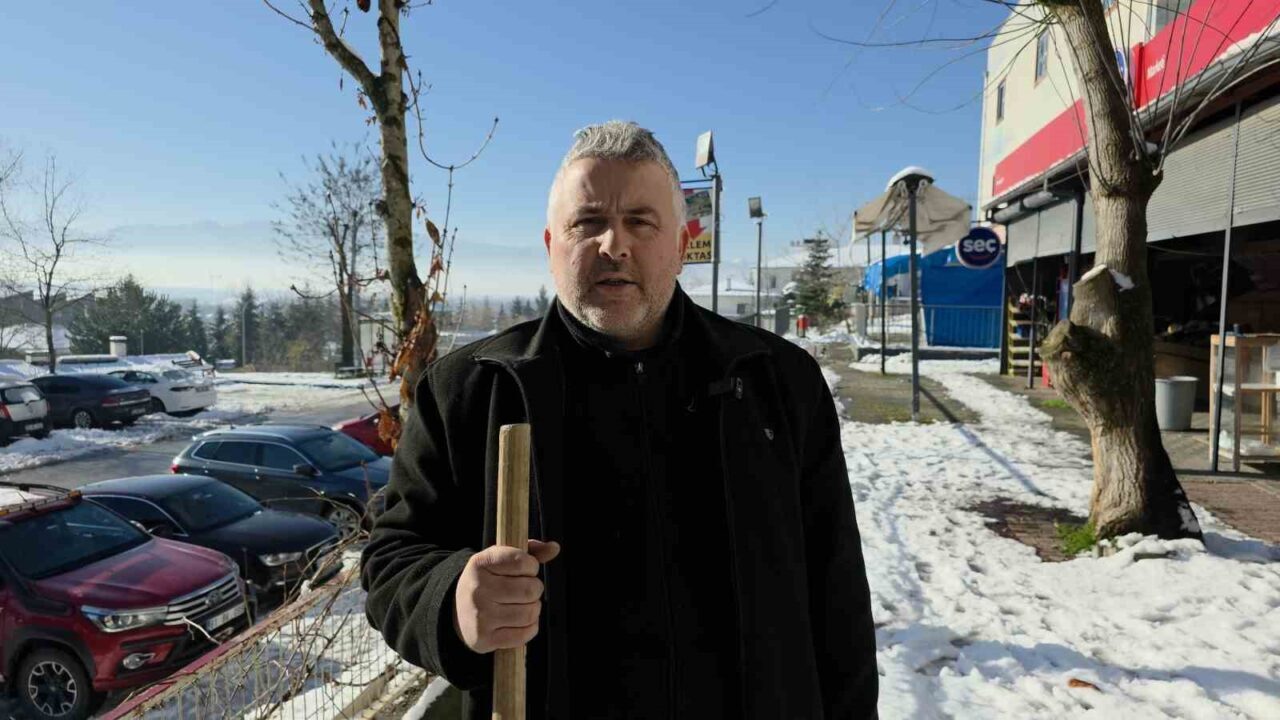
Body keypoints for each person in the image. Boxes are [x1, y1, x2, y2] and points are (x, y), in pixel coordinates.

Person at [362, 120, 878, 719]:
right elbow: (392, 560)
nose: (614, 244)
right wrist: (452, 602)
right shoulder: (470, 392)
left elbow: (837, 595)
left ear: (681, 245)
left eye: (640, 221)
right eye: (588, 223)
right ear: (550, 245)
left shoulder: (776, 382)